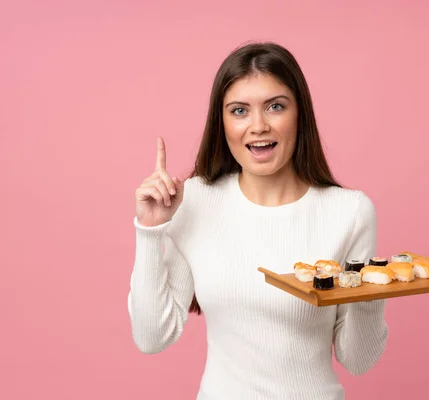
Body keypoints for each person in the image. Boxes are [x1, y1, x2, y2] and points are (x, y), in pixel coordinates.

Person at [128, 41, 388, 399]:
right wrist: (149, 231)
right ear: (222, 122)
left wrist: (373, 290)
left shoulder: (349, 211)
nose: (258, 126)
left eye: (275, 107)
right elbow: (151, 338)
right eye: (239, 111)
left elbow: (359, 360)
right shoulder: (194, 201)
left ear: (300, 114)